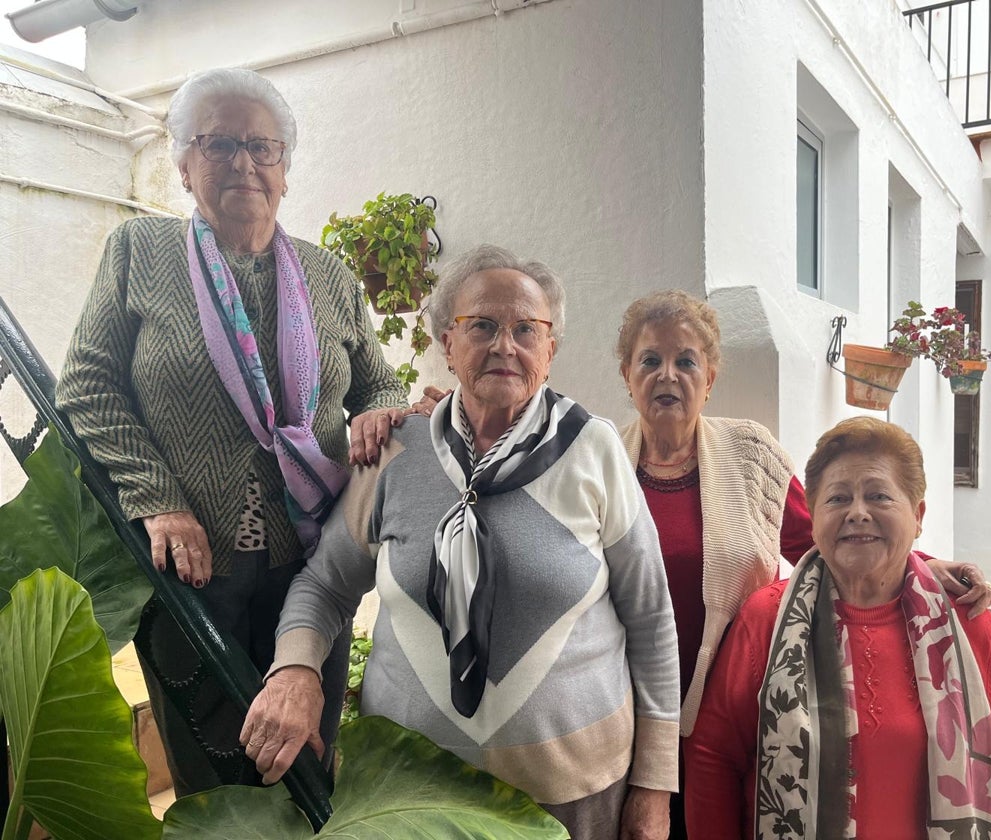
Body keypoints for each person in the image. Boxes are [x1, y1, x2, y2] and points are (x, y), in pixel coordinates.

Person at [241, 245, 680, 840]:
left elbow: (652, 620)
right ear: (447, 343)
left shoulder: (594, 449)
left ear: (550, 351)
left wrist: (654, 787)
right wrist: (295, 671)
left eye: (528, 328)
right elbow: (323, 585)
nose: (506, 345)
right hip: (411, 793)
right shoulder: (395, 451)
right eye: (483, 326)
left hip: (571, 798)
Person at [56, 67, 409, 795]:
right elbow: (86, 385)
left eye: (261, 146)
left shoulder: (331, 275)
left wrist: (380, 410)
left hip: (311, 563)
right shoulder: (139, 254)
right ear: (184, 164)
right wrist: (157, 496)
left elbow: (377, 383)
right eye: (217, 145)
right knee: (209, 768)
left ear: (284, 167)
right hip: (190, 568)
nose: (242, 163)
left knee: (304, 755)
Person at [615, 291, 991, 838]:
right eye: (650, 360)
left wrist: (915, 566)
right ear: (627, 374)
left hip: (738, 715)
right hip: (624, 722)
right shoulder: (600, 459)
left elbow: (823, 537)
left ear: (711, 377)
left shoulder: (750, 454)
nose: (667, 375)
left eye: (686, 360)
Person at [684, 417, 991, 839]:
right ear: (812, 519)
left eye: (879, 495)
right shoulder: (767, 619)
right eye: (838, 498)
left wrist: (955, 785)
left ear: (917, 517)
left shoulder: (960, 620)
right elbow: (712, 757)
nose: (857, 513)